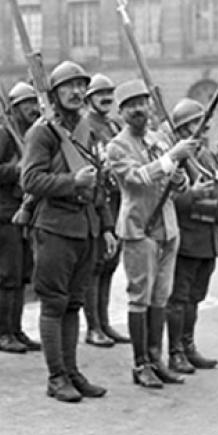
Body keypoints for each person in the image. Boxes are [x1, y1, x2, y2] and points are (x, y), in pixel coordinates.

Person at [21, 61, 116, 403]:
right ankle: (56, 376)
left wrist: (106, 226)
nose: (76, 92)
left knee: (74, 304)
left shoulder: (88, 130)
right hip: (55, 227)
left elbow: (100, 181)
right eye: (68, 87)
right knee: (54, 304)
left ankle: (72, 370)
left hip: (86, 228)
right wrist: (70, 182)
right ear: (55, 94)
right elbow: (29, 180)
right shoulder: (42, 132)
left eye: (81, 86)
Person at [107, 81, 196, 388]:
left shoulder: (158, 140)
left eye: (142, 102)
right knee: (139, 298)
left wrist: (180, 177)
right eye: (130, 105)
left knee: (161, 296)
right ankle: (140, 363)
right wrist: (171, 158)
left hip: (167, 227)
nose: (138, 109)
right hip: (139, 229)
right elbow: (138, 178)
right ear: (120, 113)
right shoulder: (116, 146)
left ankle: (157, 359)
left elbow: (173, 182)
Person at [0, 81, 42, 354]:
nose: (33, 109)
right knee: (7, 275)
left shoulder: (31, 135)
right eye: (26, 104)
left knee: (21, 274)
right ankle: (3, 333)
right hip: (5, 212)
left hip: (25, 214)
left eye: (35, 103)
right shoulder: (2, 135)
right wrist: (17, 170)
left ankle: (16, 330)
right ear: (14, 108)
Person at [167, 99, 218, 371]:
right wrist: (192, 194)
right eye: (196, 123)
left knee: (196, 297)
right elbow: (165, 199)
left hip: (207, 234)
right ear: (181, 130)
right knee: (179, 298)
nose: (205, 127)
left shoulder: (206, 155)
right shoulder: (175, 157)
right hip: (186, 235)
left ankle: (189, 346)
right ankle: (175, 351)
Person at [80, 73, 129, 347]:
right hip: (98, 200)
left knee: (110, 265)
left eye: (110, 93)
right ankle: (93, 327)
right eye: (100, 94)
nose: (106, 98)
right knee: (95, 265)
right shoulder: (86, 126)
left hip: (118, 200)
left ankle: (105, 322)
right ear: (89, 99)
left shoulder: (113, 125)